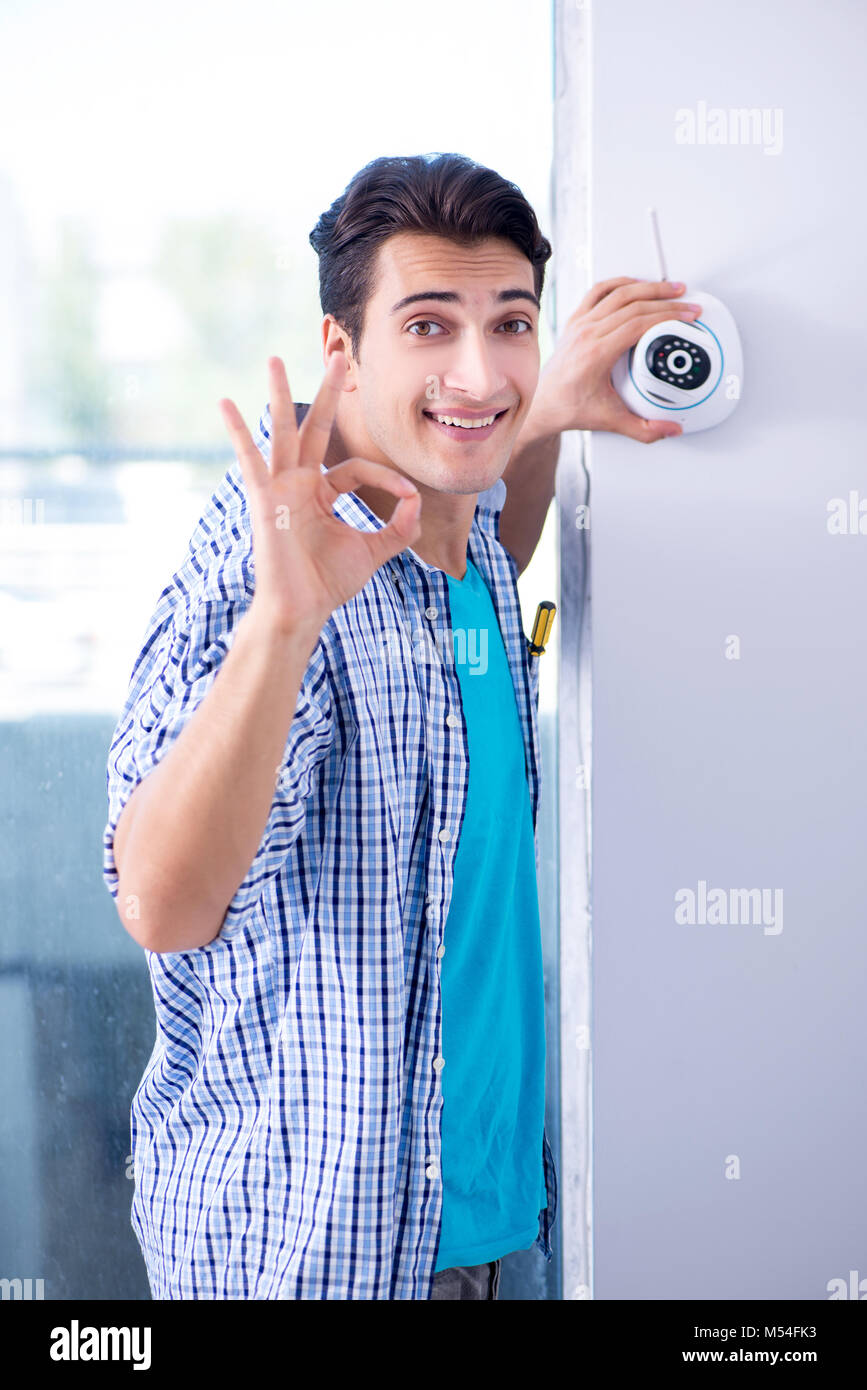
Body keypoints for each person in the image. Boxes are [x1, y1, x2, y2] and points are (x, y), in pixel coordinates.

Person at [102, 152, 700, 1300]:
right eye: (429, 327)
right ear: (343, 352)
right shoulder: (271, 558)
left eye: (509, 325)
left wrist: (547, 407)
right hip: (316, 1257)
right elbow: (163, 903)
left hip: (492, 1224)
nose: (477, 371)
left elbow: (455, 614)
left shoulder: (455, 533)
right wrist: (283, 622)